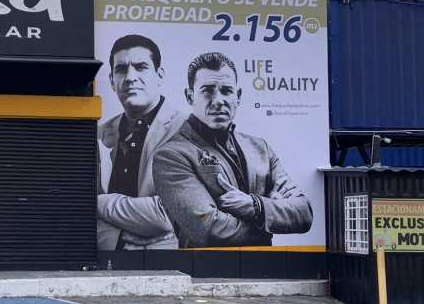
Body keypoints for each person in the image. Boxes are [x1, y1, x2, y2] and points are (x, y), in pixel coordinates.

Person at [151, 51, 312, 247]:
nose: (218, 100)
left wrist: (256, 206)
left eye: (226, 90)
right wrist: (270, 222)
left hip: (265, 273)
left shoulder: (260, 149)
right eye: (208, 90)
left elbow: (304, 213)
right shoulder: (171, 156)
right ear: (190, 96)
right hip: (207, 274)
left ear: (238, 96)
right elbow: (209, 230)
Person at [97, 34, 186, 250]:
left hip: (173, 265)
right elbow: (77, 216)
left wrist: (95, 202)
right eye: (121, 69)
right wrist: (117, 240)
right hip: (110, 263)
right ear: (111, 80)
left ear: (159, 75)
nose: (130, 77)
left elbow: (171, 213)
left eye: (141, 67)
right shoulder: (98, 134)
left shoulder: (188, 131)